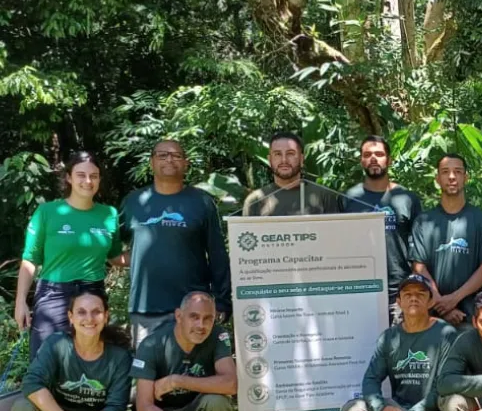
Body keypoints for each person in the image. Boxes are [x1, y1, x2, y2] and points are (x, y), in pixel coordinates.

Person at [341, 274, 457, 411]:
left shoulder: (446, 333)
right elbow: (370, 380)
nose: (414, 299)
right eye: (408, 294)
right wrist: (381, 409)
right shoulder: (388, 338)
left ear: (431, 301)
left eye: (421, 294)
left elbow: (444, 385)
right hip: (399, 410)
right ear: (399, 301)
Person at [119, 139, 231, 346]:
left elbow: (217, 255)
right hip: (145, 309)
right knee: (148, 376)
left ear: (186, 163)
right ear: (151, 162)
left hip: (194, 310)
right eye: (162, 155)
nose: (169, 159)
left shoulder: (202, 202)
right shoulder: (133, 201)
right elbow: (112, 247)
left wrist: (223, 302)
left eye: (176, 155)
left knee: (194, 375)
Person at [15, 152, 121, 358]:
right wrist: (21, 302)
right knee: (45, 359)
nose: (88, 181)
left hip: (93, 292)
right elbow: (30, 259)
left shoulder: (109, 214)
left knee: (89, 358)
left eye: (94, 175)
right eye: (81, 175)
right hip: (54, 294)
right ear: (69, 178)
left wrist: (152, 252)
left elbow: (116, 257)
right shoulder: (47, 212)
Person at [130, 291, 237, 411]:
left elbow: (230, 383)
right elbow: (144, 406)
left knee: (218, 402)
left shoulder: (217, 336)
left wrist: (177, 381)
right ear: (179, 316)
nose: (201, 325)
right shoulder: (152, 344)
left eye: (208, 318)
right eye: (194, 317)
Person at [409, 154, 482, 327]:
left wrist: (454, 299)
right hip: (430, 316)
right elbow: (418, 267)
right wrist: (440, 302)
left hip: (472, 316)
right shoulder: (423, 221)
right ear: (437, 178)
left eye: (457, 172)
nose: (452, 177)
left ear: (465, 178)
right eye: (445, 172)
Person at [341, 136, 423, 320]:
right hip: (361, 289)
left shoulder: (407, 198)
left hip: (399, 290)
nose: (373, 158)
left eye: (379, 154)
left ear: (389, 160)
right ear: (361, 160)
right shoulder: (348, 198)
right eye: (367, 154)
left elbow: (419, 247)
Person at [242, 131, 340, 216]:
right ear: (269, 160)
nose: (284, 160)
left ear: (301, 159)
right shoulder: (255, 200)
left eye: (290, 154)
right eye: (278, 154)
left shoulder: (324, 196)